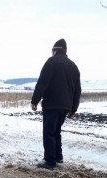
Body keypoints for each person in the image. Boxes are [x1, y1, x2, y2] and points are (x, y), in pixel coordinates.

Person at [31, 38, 81, 169]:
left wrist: (35, 100)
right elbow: (77, 90)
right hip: (66, 106)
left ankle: (50, 161)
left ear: (55, 51)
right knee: (56, 131)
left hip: (52, 105)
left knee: (48, 132)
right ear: (65, 51)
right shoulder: (73, 66)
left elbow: (42, 83)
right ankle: (58, 157)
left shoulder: (51, 62)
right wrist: (73, 108)